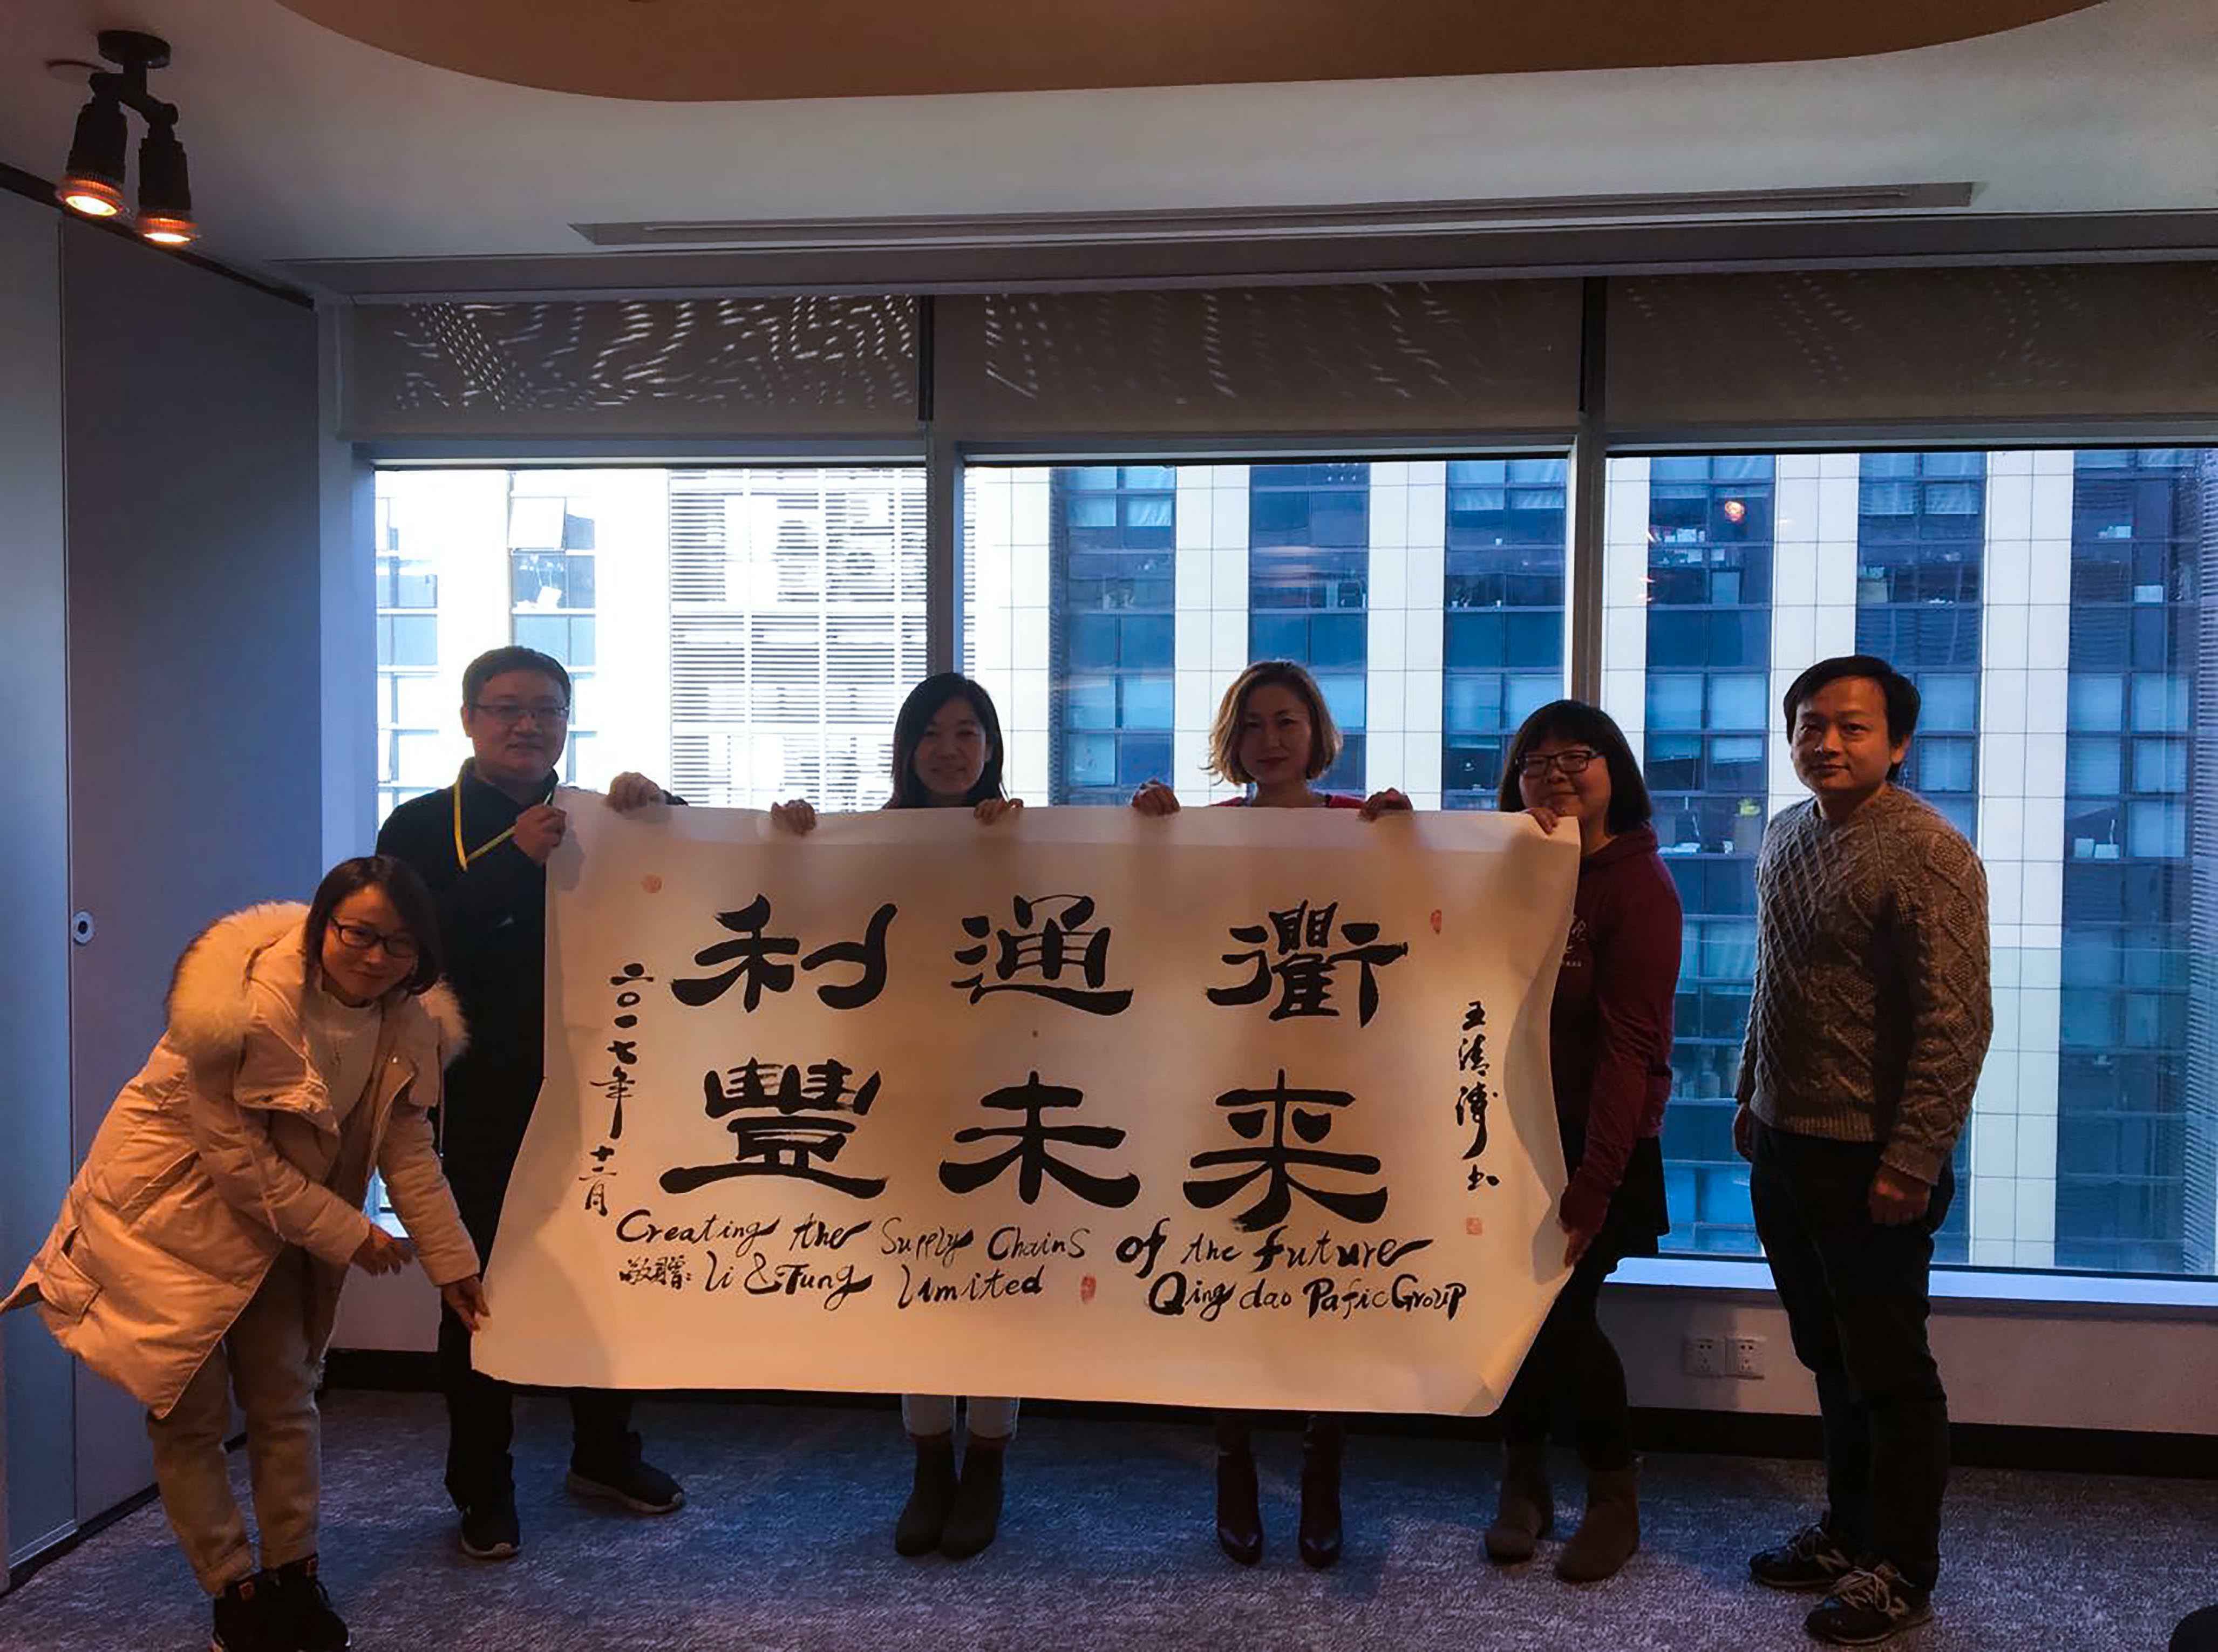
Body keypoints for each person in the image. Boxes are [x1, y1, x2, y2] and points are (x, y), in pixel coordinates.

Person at [4, 858, 483, 1652]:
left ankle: (294, 1573)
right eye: (358, 933)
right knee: (187, 1413)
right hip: (166, 1220)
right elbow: (236, 1161)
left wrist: (453, 1262)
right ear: (322, 925)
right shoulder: (239, 1005)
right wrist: (350, 1233)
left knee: (285, 1400)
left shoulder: (407, 1021)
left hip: (278, 1226)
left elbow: (406, 1146)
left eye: (399, 943)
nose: (375, 957)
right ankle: (234, 1587)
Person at [376, 645, 683, 1561]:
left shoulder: (600, 819)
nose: (527, 724)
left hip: (599, 1085)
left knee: (606, 1265)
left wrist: (660, 817)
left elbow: (681, 903)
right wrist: (514, 859)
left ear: (566, 722)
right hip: (474, 1093)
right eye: (506, 707)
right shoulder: (419, 824)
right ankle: (482, 1485)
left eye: (546, 709)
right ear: (468, 719)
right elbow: (405, 946)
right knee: (477, 1284)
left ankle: (605, 1451)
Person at [1735, 655, 1991, 1647]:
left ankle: (1903, 1568)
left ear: (1898, 742)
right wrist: (1749, 1091)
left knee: (1888, 1371)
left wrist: (1912, 1159)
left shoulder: (1928, 851)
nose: (1827, 742)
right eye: (1810, 724)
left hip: (1873, 1159)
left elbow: (1955, 1023)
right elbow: (1775, 976)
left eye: (1851, 726)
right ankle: (1847, 1532)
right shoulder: (1784, 833)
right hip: (1783, 1141)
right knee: (1826, 1353)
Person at [1131, 658, 1409, 1569]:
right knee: (1232, 1281)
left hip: (1336, 1084)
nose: (1271, 739)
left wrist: (1409, 841)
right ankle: (1235, 1467)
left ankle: (1322, 1473)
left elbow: (1415, 925)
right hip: (1228, 1085)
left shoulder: (1362, 822)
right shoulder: (1206, 830)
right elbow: (1155, 928)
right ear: (1232, 741)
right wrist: (1149, 835)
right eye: (1252, 724)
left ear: (1316, 731)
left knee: (1327, 1282)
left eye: (1287, 721)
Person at [768, 671, 1026, 1561]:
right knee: (912, 1276)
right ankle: (927, 1466)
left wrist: (1021, 845)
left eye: (967, 731)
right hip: (897, 1096)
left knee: (998, 1282)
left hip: (1005, 1097)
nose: (949, 750)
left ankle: (986, 1463)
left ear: (990, 746)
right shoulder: (865, 839)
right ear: (906, 749)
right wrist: (791, 841)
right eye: (931, 733)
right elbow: (804, 923)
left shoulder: (1025, 836)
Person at [1483, 701, 1679, 1582]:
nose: (1556, 774)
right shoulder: (1514, 868)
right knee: (1515, 1317)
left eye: (1577, 757)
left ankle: (1612, 1495)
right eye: (1537, 760)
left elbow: (1630, 1049)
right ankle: (1522, 1481)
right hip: (1504, 1135)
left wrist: (1593, 1184)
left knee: (1563, 1317)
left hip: (1593, 1139)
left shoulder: (1636, 885)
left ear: (1614, 772)